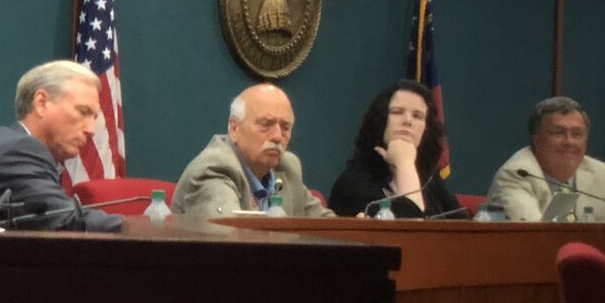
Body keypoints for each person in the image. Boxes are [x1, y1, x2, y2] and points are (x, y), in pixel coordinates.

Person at [0, 60, 122, 232]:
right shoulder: (17, 150)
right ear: (41, 102)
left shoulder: (14, 142)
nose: (91, 130)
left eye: (94, 118)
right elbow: (65, 220)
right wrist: (141, 228)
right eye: (83, 112)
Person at [171, 84, 334, 217]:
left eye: (285, 127)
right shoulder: (214, 168)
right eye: (266, 124)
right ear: (234, 128)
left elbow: (328, 227)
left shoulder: (287, 168)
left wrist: (357, 228)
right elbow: (230, 240)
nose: (277, 136)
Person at [328, 80, 460, 218]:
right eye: (397, 112)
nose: (407, 120)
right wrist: (405, 162)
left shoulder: (430, 181)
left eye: (417, 116)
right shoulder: (353, 184)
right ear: (380, 121)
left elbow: (465, 228)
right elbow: (410, 230)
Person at [487, 97, 605, 221]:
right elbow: (534, 234)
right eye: (558, 133)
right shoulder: (516, 175)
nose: (569, 142)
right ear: (537, 141)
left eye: (576, 134)